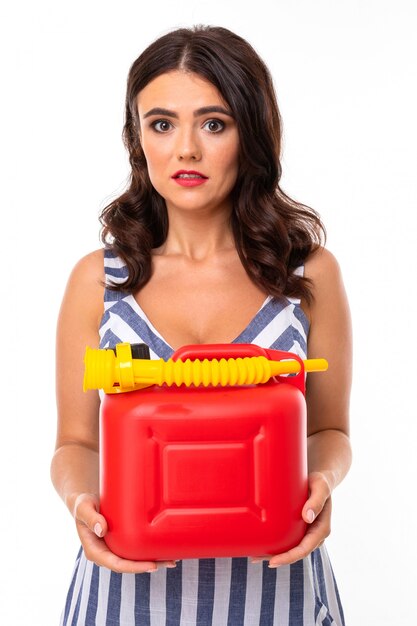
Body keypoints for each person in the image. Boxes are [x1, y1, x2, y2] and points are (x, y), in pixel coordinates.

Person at [51, 25, 352, 626]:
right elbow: (77, 443)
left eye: (213, 123)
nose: (186, 149)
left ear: (251, 133)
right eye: (161, 124)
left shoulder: (307, 275)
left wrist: (322, 479)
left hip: (279, 597)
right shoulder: (98, 280)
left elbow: (330, 431)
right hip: (124, 601)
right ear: (138, 141)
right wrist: (81, 502)